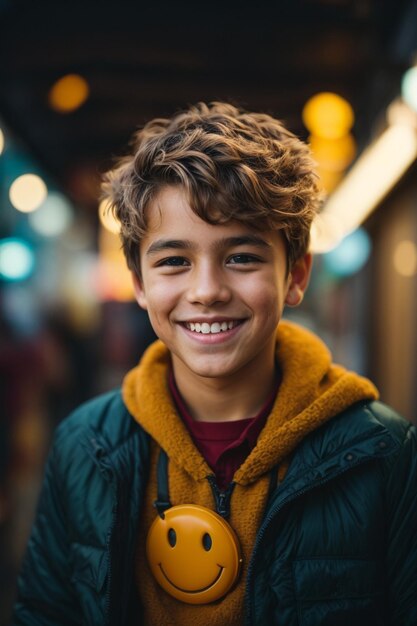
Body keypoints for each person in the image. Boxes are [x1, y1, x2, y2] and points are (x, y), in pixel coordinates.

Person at [13, 102, 417, 626]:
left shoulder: (383, 453)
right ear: (139, 282)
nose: (206, 291)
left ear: (295, 275)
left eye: (242, 257)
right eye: (174, 261)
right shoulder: (83, 446)